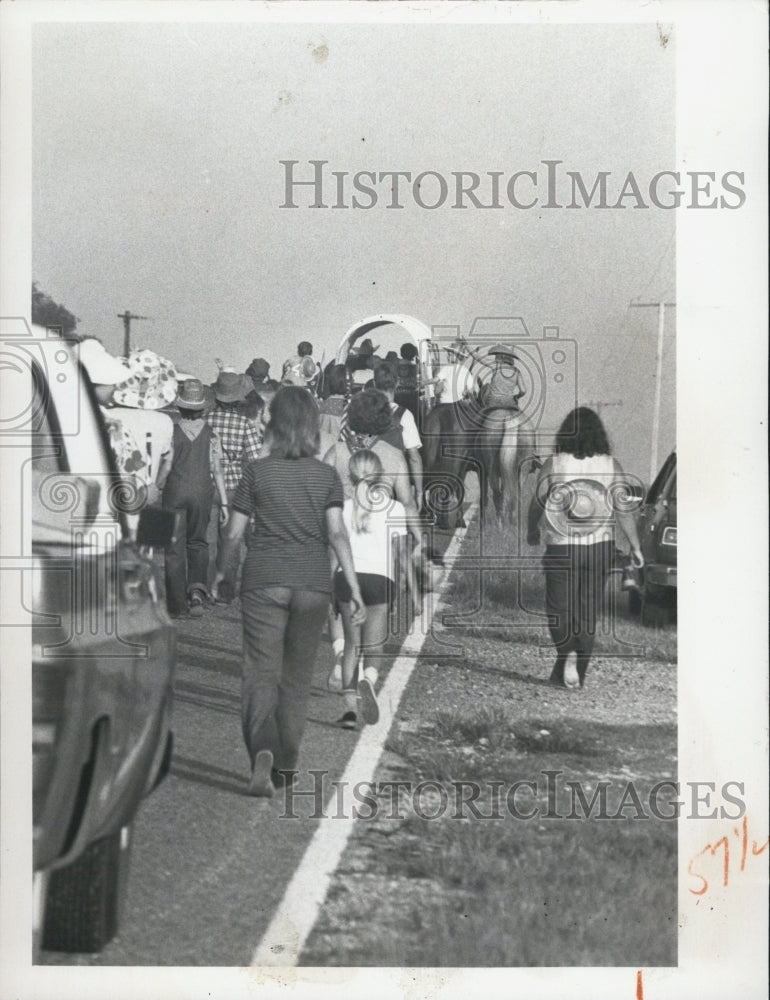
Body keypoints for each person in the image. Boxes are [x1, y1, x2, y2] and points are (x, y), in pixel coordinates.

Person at [211, 386, 365, 797]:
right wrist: (351, 583)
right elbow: (337, 533)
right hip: (313, 584)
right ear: (312, 427)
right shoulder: (326, 475)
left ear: (274, 424)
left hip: (263, 580)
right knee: (296, 677)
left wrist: (222, 574)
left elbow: (233, 532)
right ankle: (287, 762)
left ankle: (262, 749)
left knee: (261, 673)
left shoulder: (256, 472)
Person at [527, 407, 644, 689]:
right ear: (599, 436)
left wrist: (532, 529)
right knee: (588, 610)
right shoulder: (611, 465)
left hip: (562, 546)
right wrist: (635, 547)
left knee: (559, 609)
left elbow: (538, 501)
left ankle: (565, 654)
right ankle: (576, 674)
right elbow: (624, 510)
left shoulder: (555, 464)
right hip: (600, 546)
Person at [332, 450, 407, 730]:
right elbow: (400, 554)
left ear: (350, 476)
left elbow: (334, 550)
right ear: (380, 477)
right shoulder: (395, 509)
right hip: (380, 580)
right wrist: (402, 587)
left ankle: (349, 710)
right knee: (374, 644)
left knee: (352, 645)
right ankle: (370, 678)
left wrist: (330, 585)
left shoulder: (342, 507)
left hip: (347, 578)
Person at [163, 378, 229, 618]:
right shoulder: (212, 435)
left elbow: (166, 462)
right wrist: (223, 501)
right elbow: (218, 470)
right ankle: (197, 593)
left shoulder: (171, 431)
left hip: (175, 491)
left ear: (179, 407)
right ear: (202, 407)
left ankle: (176, 603)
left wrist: (156, 485)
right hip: (203, 492)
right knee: (199, 542)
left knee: (173, 546)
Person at [206, 371, 262, 604]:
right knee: (230, 540)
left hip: (207, 484)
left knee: (207, 540)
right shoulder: (243, 423)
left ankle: (204, 586)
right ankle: (225, 590)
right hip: (235, 486)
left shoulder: (207, 420)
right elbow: (256, 457)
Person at [111, 347, 177, 508]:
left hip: (110, 496)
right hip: (144, 497)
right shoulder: (164, 421)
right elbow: (167, 462)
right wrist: (155, 487)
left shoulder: (107, 415)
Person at [373, 365, 423, 504]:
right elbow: (414, 457)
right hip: (394, 481)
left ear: (374, 383)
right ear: (397, 383)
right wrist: (419, 491)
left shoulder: (364, 411)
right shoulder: (404, 415)